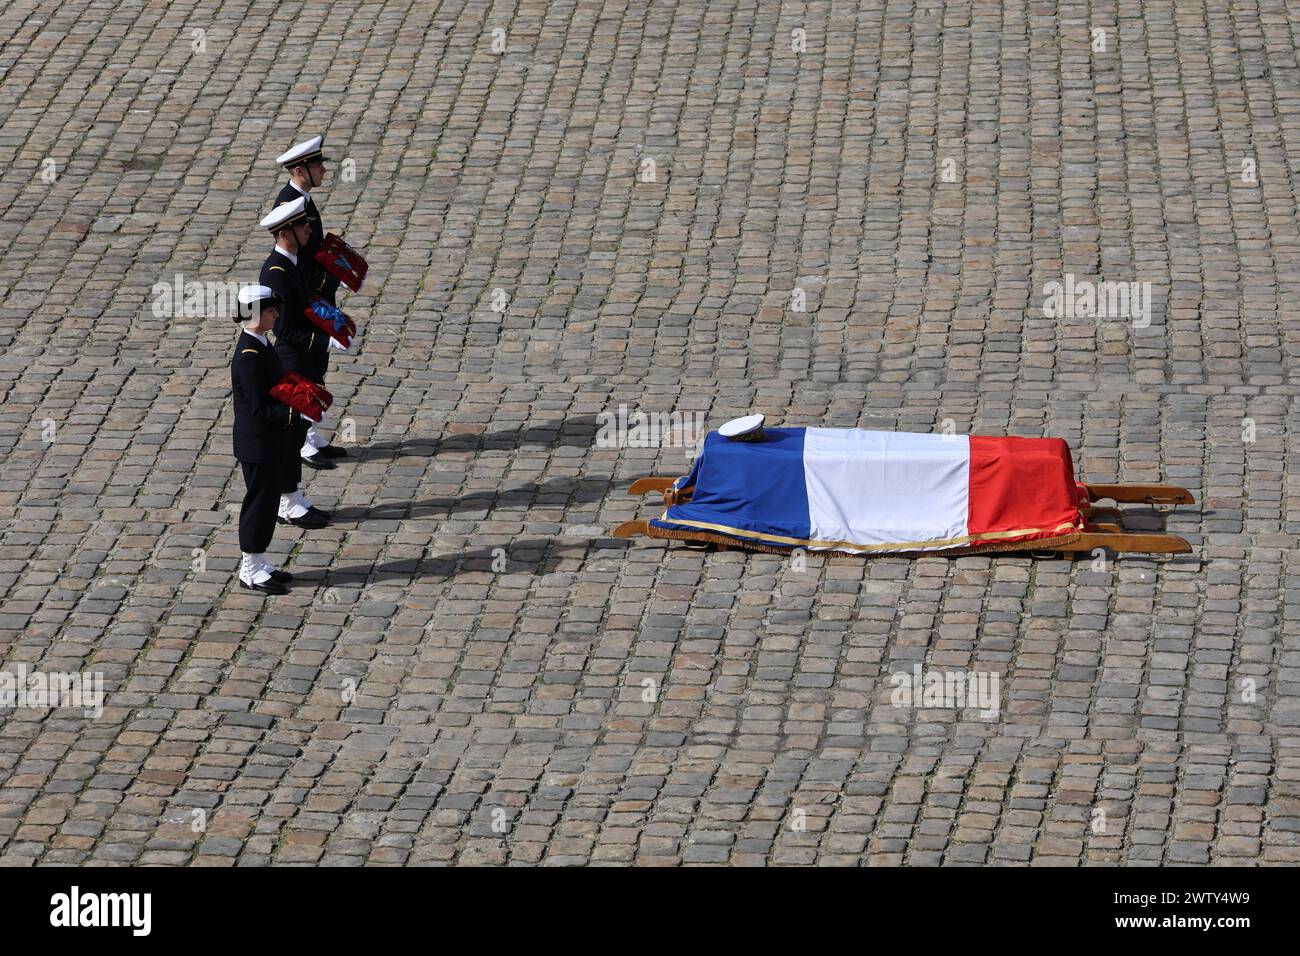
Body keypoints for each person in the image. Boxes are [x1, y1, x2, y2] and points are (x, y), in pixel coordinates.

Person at [274, 135, 349, 466]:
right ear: (301, 170)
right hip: (307, 298)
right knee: (302, 372)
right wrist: (328, 279)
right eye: (319, 166)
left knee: (316, 369)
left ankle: (311, 435)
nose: (325, 172)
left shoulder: (302, 198)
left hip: (317, 296)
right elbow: (299, 262)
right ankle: (302, 443)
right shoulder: (290, 206)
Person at [258, 198, 330, 529]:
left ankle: (294, 494)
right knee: (292, 433)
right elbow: (284, 329)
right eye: (303, 226)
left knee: (300, 426)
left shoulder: (292, 262)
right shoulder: (276, 272)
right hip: (294, 357)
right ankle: (287, 500)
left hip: (307, 357)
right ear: (286, 233)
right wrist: (323, 339)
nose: (309, 229)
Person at [231, 285, 296, 594]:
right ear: (256, 314)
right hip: (258, 443)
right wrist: (295, 415)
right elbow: (259, 407)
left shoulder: (261, 344)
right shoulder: (248, 356)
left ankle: (260, 560)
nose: (276, 314)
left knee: (269, 501)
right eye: (271, 310)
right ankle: (250, 568)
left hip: (268, 441)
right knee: (259, 503)